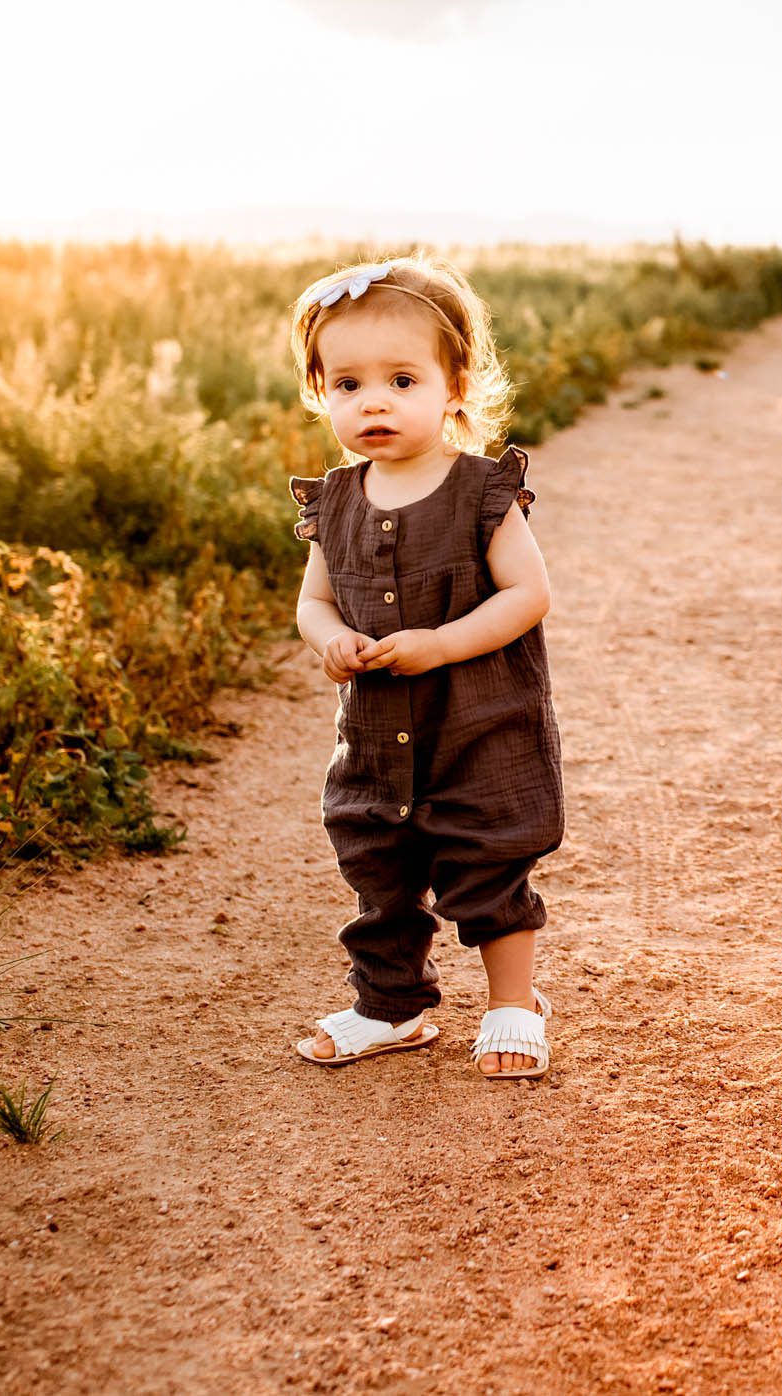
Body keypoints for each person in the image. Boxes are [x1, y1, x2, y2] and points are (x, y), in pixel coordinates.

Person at [285, 256, 564, 1080]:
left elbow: (529, 593)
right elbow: (314, 601)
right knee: (382, 867)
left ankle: (513, 1005)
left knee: (486, 865)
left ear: (454, 386)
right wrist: (328, 637)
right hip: (377, 734)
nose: (373, 401)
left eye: (402, 379)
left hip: (480, 725)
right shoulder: (334, 501)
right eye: (347, 384)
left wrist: (442, 643)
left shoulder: (482, 491)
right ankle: (390, 1007)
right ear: (320, 392)